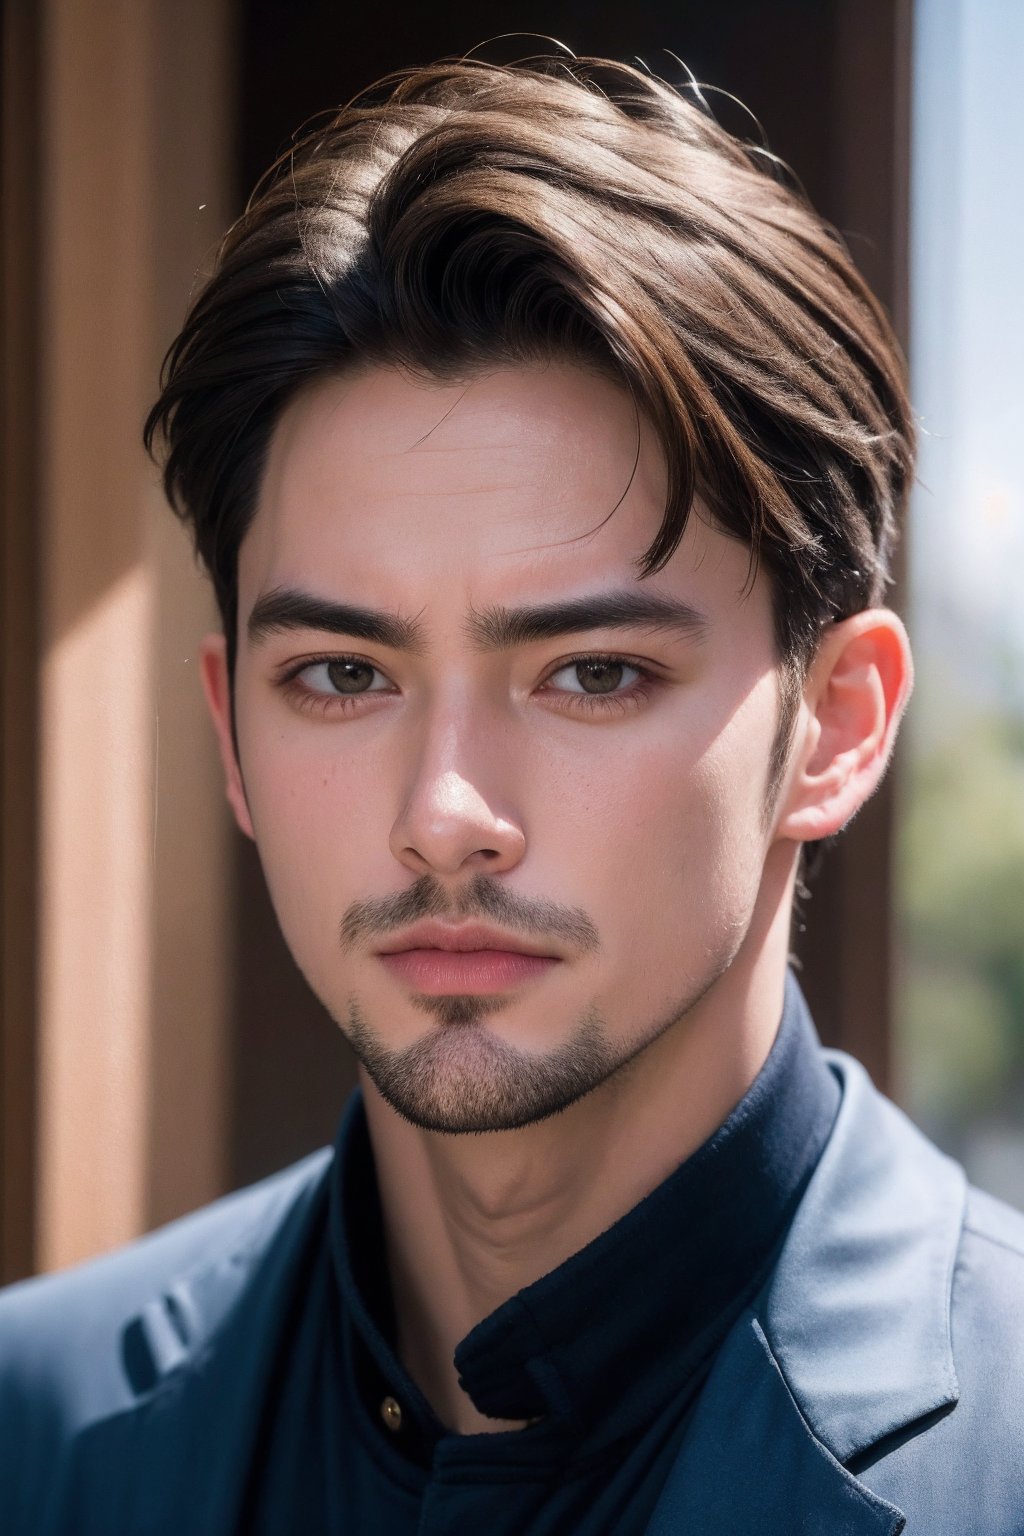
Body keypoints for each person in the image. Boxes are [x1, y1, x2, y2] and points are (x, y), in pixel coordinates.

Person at [2, 50, 1022, 1536]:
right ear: (229, 734)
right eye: (345, 677)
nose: (445, 807)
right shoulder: (38, 1437)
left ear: (837, 727)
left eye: (592, 672)